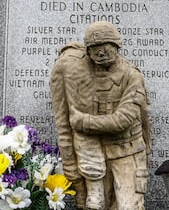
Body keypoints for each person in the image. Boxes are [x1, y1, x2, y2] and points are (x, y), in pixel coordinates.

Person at [50, 21, 151, 210]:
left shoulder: (132, 76)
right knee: (95, 205)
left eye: (106, 48)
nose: (102, 54)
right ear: (88, 52)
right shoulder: (80, 71)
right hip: (96, 154)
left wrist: (83, 122)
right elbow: (63, 117)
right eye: (95, 50)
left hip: (127, 152)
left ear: (116, 46)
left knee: (129, 207)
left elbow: (123, 120)